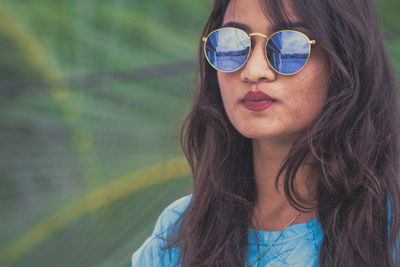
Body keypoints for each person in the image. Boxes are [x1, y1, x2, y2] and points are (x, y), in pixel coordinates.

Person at [131, 0, 400, 266]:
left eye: (289, 45)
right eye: (233, 44)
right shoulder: (179, 236)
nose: (253, 71)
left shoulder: (390, 223)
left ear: (344, 57)